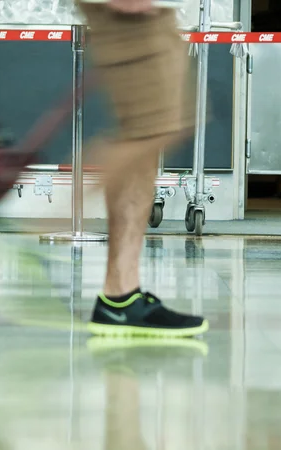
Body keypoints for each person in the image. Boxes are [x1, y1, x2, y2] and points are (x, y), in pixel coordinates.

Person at [77, 0, 209, 337]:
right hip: (131, 11)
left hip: (155, 11)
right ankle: (48, 215)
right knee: (151, 130)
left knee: (153, 131)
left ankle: (121, 296)